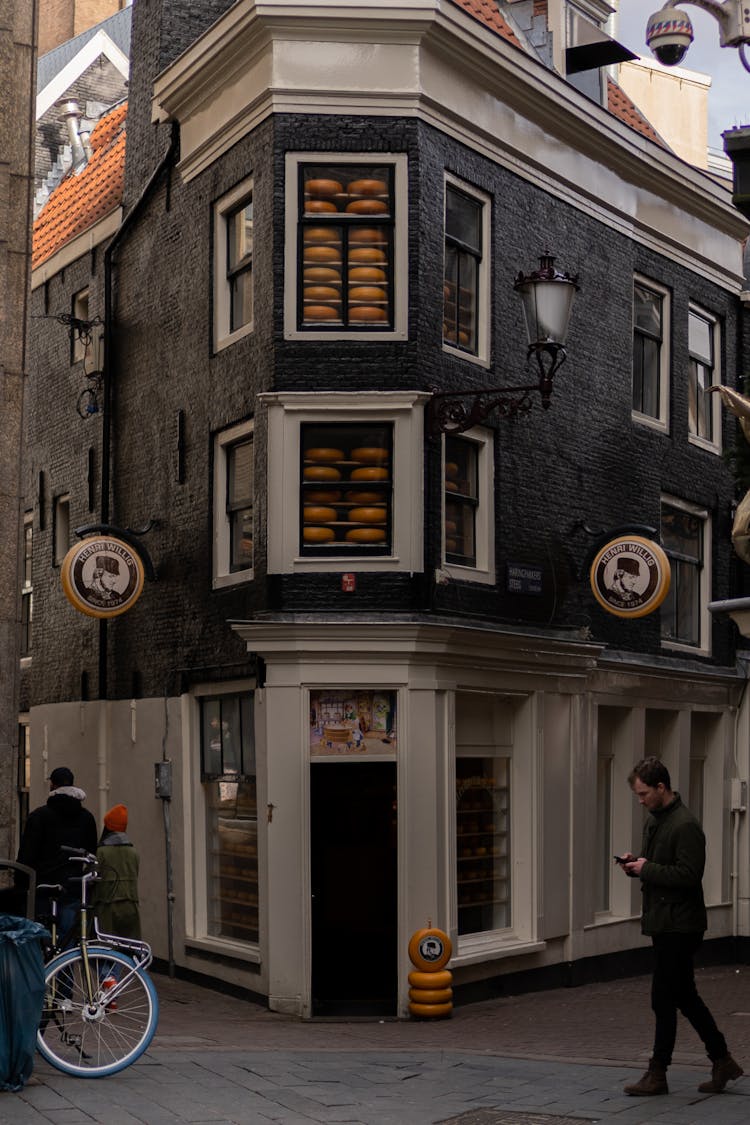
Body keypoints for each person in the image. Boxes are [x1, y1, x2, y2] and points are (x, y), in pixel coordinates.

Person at [618, 757, 743, 1096]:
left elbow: (689, 876)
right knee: (684, 996)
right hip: (664, 921)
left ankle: (658, 1073)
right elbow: (659, 866)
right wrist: (637, 865)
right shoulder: (657, 820)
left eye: (644, 794)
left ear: (662, 787)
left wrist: (647, 869)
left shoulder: (685, 824)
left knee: (664, 997)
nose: (640, 800)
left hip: (681, 925)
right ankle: (722, 1060)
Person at [16, 766, 98, 940]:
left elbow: (26, 857)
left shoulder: (39, 816)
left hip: (42, 889)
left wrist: (21, 888)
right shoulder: (87, 818)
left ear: (52, 786)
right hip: (72, 888)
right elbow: (91, 854)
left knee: (40, 940)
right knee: (67, 940)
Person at [91, 804, 141, 940]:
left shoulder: (101, 852)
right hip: (131, 905)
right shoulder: (133, 852)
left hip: (107, 906)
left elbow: (92, 877)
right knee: (130, 946)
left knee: (107, 948)